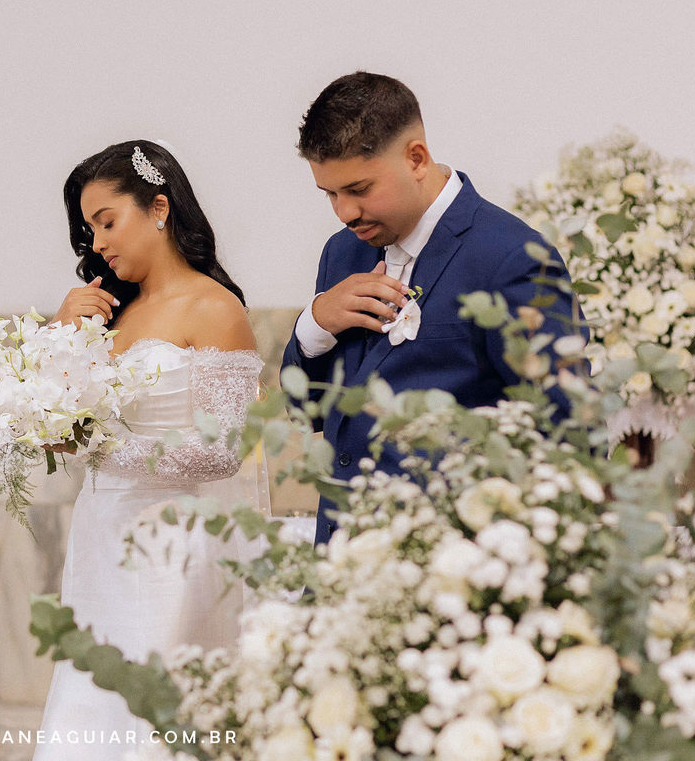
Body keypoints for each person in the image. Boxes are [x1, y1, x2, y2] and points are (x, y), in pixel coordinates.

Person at [282, 71, 582, 545]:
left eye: (359, 189)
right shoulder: (341, 253)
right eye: (330, 194)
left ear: (416, 158)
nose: (344, 213)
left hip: (455, 561)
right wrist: (314, 326)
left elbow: (567, 434)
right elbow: (309, 412)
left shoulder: (511, 258)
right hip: (341, 558)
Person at [33, 141, 262, 760]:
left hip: (172, 544)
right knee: (92, 695)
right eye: (90, 230)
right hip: (99, 536)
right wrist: (60, 337)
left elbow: (225, 450)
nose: (98, 242)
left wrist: (107, 450)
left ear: (159, 208)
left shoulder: (214, 308)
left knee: (157, 712)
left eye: (107, 222)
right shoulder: (108, 314)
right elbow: (55, 433)